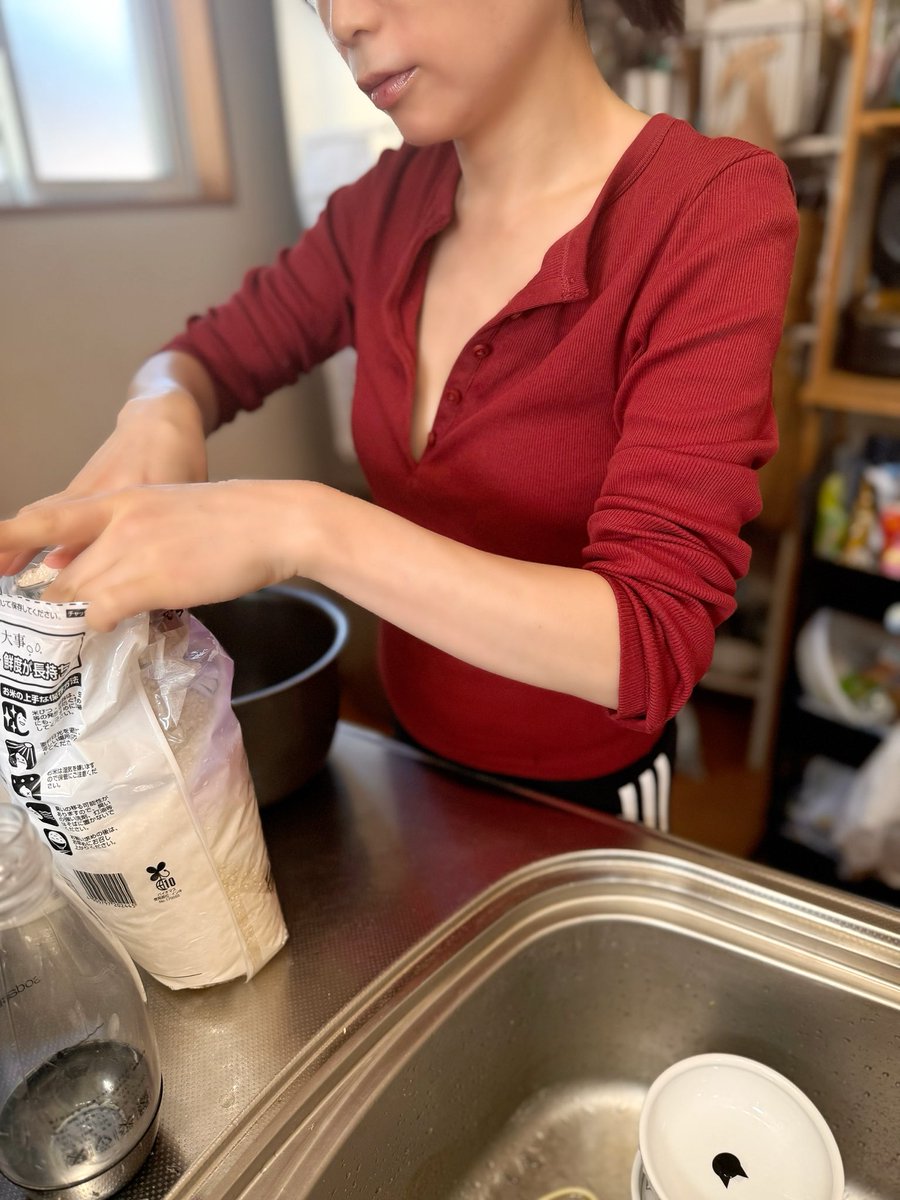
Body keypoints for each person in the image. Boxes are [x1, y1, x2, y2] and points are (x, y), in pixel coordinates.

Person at [0, 0, 798, 828]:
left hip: (587, 794)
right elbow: (199, 360)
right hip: (414, 752)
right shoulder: (380, 209)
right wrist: (159, 413)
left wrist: (302, 527)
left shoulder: (707, 208)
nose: (343, 20)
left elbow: (650, 640)